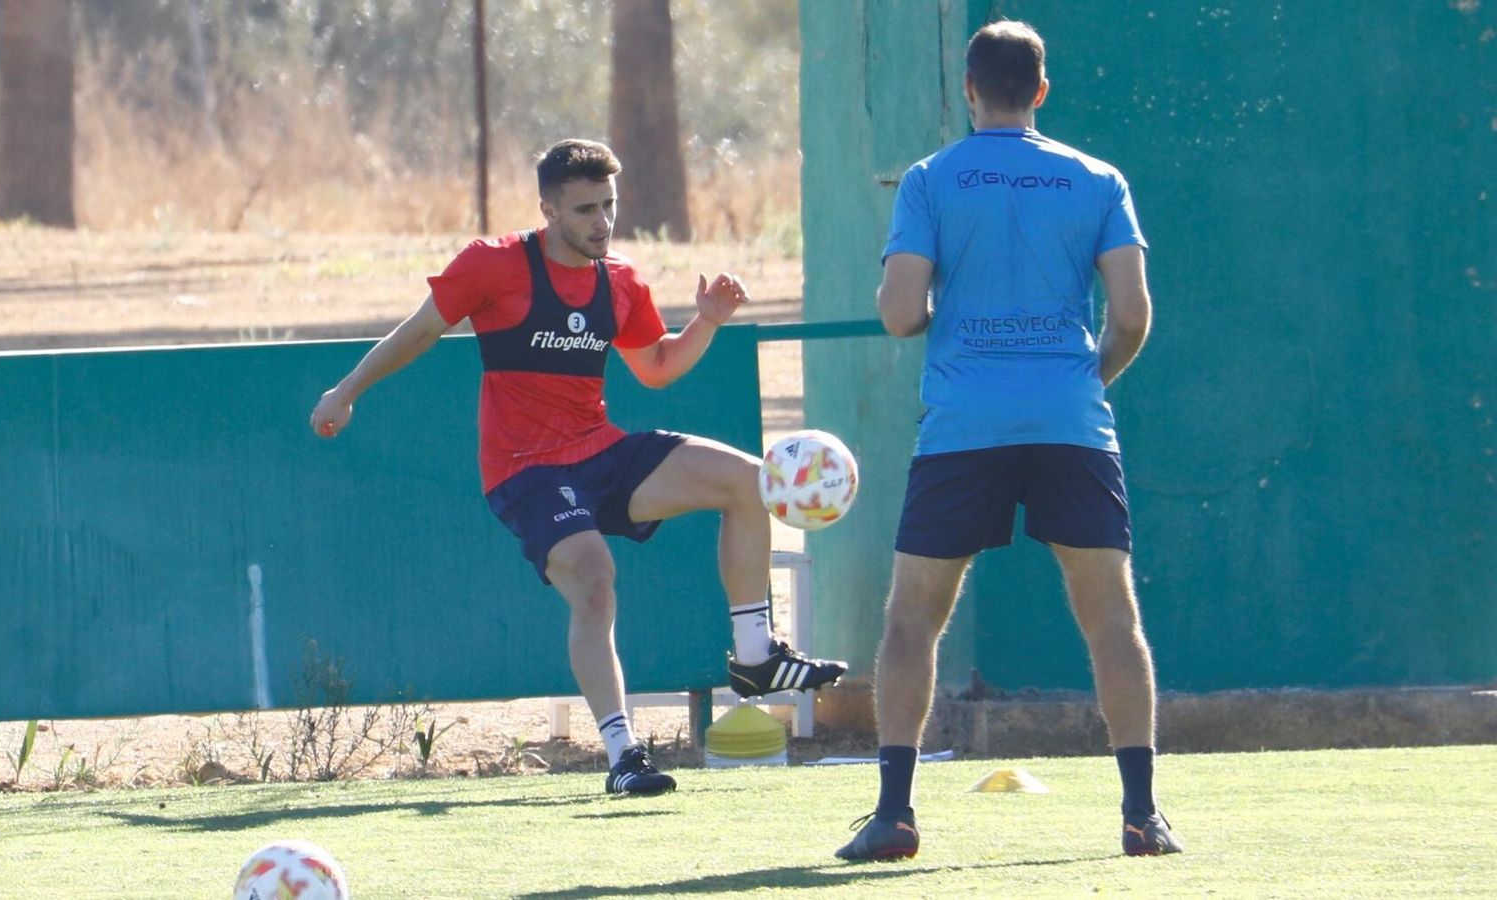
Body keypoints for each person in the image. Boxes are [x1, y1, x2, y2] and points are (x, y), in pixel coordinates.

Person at [310, 139, 846, 797]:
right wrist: (346, 391)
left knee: (748, 480)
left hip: (600, 451)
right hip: (523, 471)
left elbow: (654, 368)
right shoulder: (494, 264)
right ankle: (624, 755)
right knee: (596, 579)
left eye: (609, 206)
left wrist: (705, 324)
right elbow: (418, 332)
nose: (602, 221)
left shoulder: (619, 279)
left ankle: (757, 655)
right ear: (548, 208)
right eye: (586, 208)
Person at [834, 21, 1182, 860]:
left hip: (963, 428)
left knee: (912, 619)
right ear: (1041, 90)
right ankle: (1142, 815)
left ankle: (894, 816)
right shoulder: (1097, 178)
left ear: (967, 88)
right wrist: (1082, 382)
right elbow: (1132, 316)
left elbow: (897, 312)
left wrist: (934, 314)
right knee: (1112, 621)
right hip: (1071, 423)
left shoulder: (930, 179)